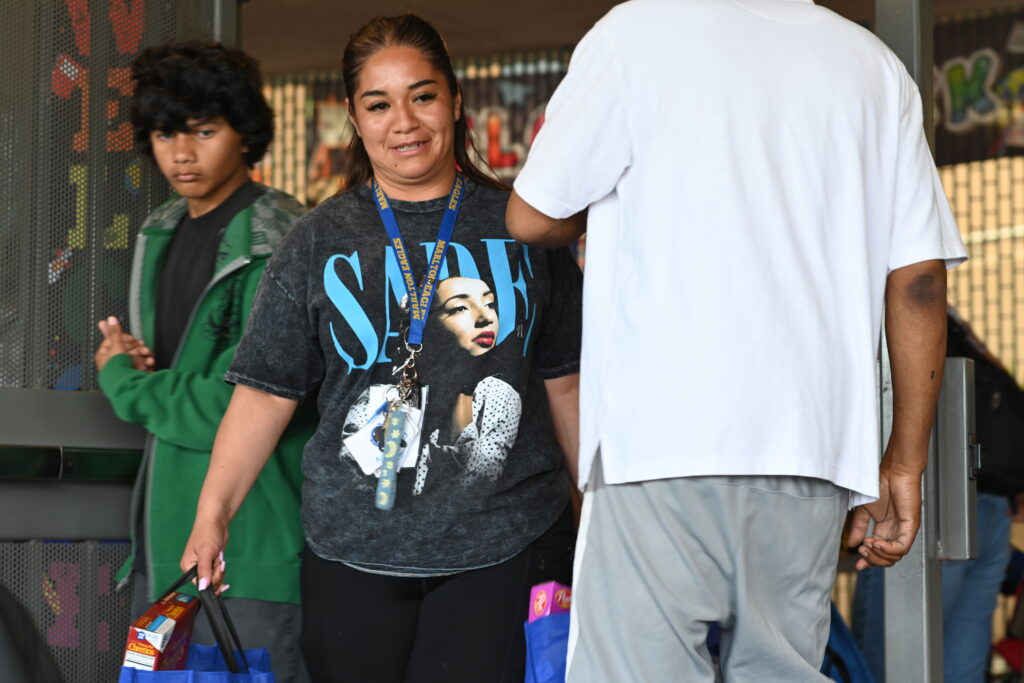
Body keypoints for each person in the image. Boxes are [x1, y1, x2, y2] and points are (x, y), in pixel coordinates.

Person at [505, 0, 968, 680]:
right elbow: (921, 281)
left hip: (659, 442)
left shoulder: (636, 33)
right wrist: (903, 462)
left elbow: (531, 215)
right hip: (810, 449)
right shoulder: (874, 67)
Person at [180, 14, 583, 683]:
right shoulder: (317, 240)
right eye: (379, 104)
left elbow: (565, 381)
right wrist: (212, 514)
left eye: (422, 96)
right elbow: (265, 395)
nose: (405, 122)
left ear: (455, 100)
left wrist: (594, 511)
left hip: (507, 540)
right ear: (354, 116)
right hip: (350, 551)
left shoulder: (523, 227)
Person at [92, 41, 311, 682]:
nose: (181, 154)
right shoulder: (160, 231)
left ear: (245, 133)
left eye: (204, 132)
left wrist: (124, 381)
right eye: (165, 134)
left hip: (253, 554)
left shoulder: (282, 241)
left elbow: (239, 404)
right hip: (165, 556)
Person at [852, 307, 1016, 682]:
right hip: (990, 501)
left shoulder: (895, 308)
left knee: (895, 659)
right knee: (960, 657)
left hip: (929, 495)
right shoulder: (951, 323)